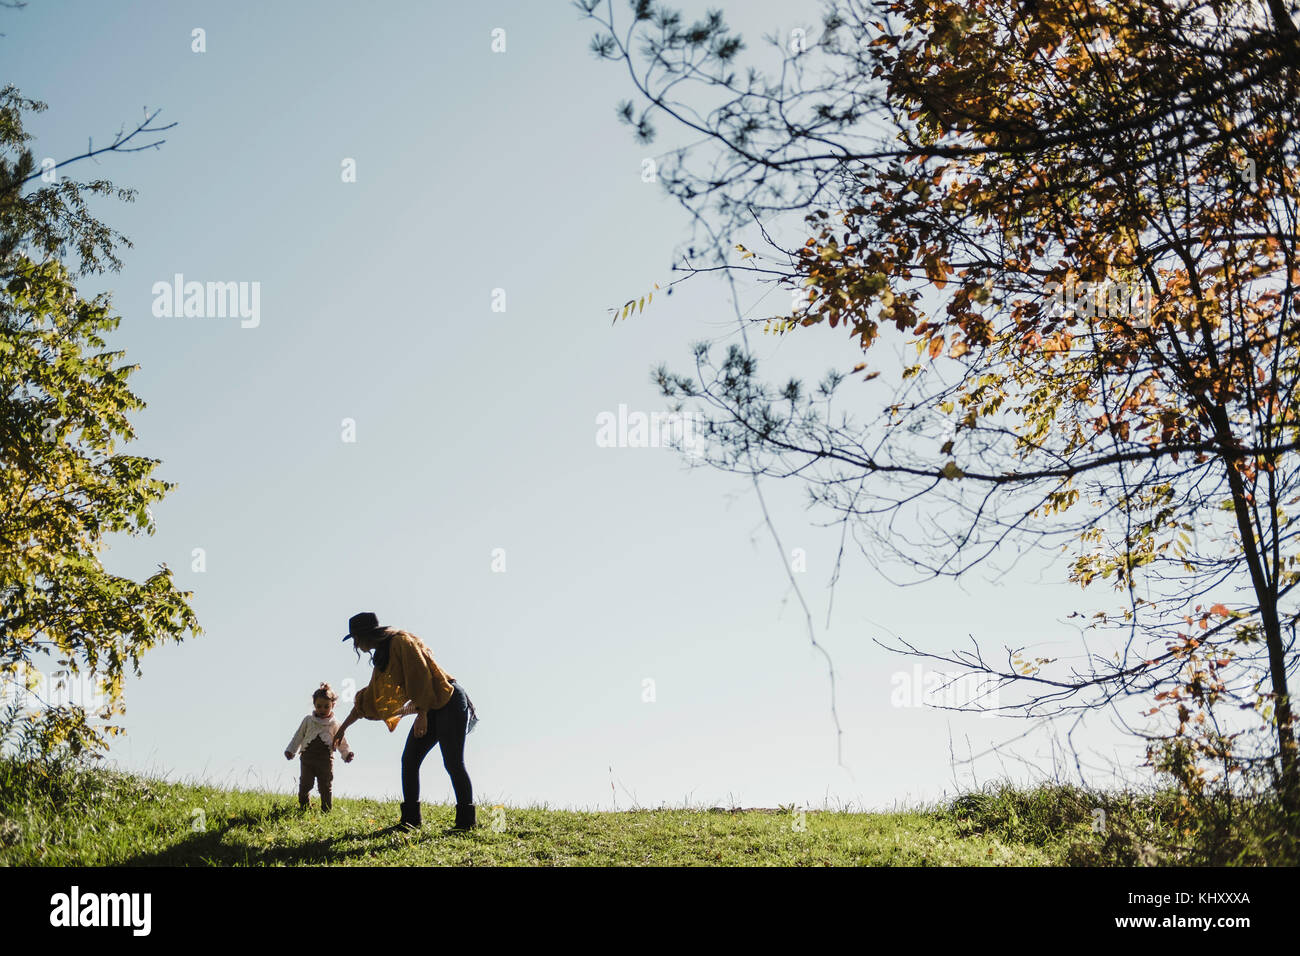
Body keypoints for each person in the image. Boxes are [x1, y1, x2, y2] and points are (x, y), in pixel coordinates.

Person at [334, 611, 477, 831]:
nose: (355, 643)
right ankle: (410, 821)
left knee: (452, 762)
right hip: (428, 705)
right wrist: (342, 728)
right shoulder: (382, 656)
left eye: (355, 638)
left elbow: (420, 677)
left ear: (365, 635)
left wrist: (422, 714)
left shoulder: (401, 642)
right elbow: (371, 698)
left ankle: (466, 823)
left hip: (447, 699)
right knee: (409, 760)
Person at [284, 682, 354, 812]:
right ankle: (304, 807)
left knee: (325, 785)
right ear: (314, 704)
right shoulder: (308, 721)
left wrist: (346, 753)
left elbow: (341, 741)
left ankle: (326, 810)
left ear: (333, 705)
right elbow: (298, 736)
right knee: (305, 784)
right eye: (319, 706)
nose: (322, 709)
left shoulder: (334, 724)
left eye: (326, 706)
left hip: (326, 760)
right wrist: (291, 750)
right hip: (307, 759)